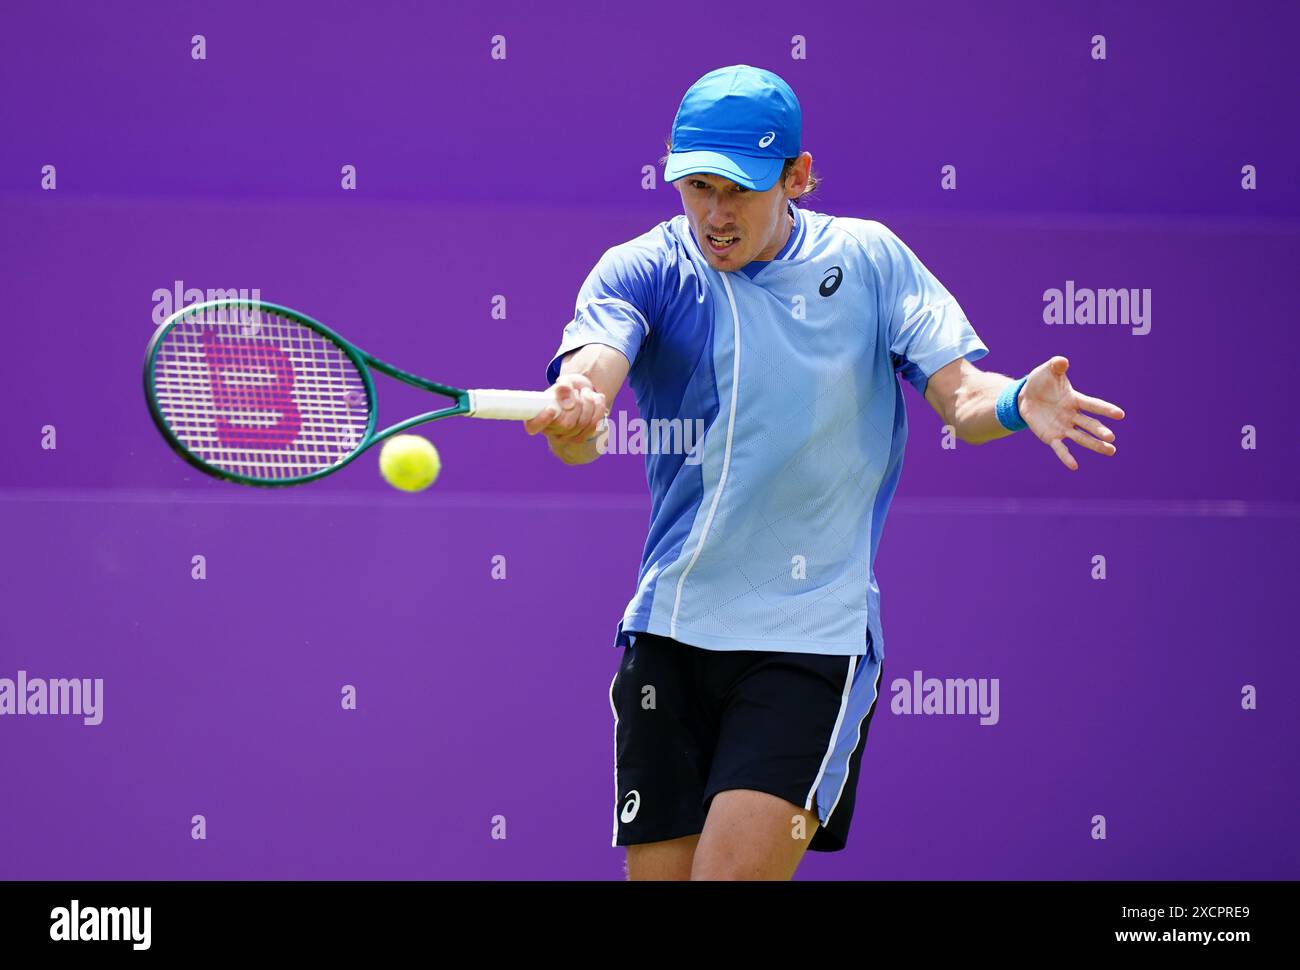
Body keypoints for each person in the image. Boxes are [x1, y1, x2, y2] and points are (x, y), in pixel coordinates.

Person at [524, 65, 1125, 881]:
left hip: (809, 641)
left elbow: (965, 399)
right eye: (696, 186)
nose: (714, 213)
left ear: (797, 177)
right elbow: (589, 389)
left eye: (738, 189)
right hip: (667, 633)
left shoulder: (871, 262)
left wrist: (1019, 400)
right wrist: (580, 407)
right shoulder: (642, 269)